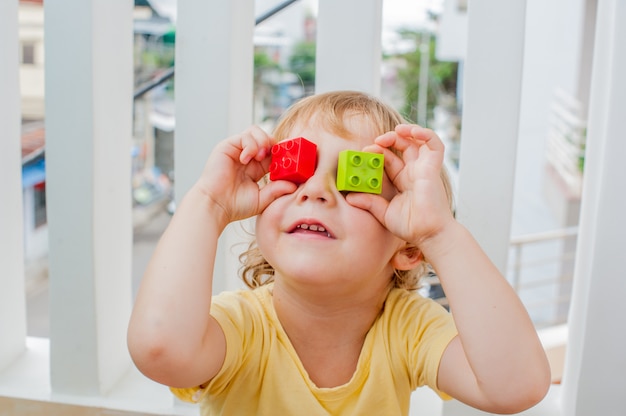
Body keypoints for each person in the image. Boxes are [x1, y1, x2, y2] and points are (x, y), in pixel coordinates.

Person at [127, 91, 551, 415]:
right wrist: (209, 202)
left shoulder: (408, 329)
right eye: (295, 175)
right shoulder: (244, 326)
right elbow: (160, 349)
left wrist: (439, 232)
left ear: (407, 248)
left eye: (355, 180)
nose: (315, 191)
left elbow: (516, 386)